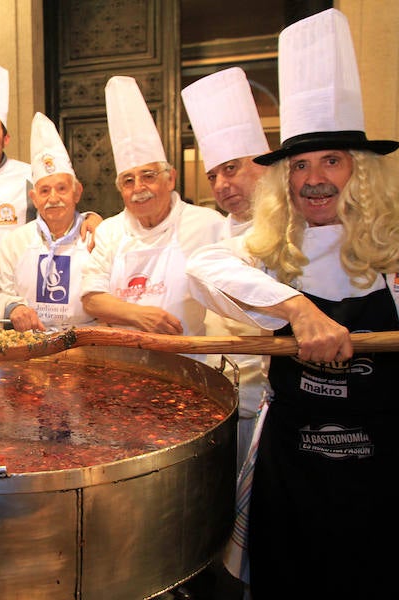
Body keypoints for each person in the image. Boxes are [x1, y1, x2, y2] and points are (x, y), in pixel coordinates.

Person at [186, 9, 399, 598]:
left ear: (359, 171)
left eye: (331, 162)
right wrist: (299, 309)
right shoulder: (270, 246)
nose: (314, 179)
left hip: (391, 462)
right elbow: (205, 267)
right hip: (296, 461)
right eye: (300, 166)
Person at [80, 76, 225, 341]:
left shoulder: (208, 225)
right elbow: (92, 299)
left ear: (170, 179)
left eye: (148, 176)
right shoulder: (110, 231)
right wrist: (140, 315)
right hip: (122, 361)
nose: (138, 188)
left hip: (189, 358)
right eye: (128, 180)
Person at [181, 66, 272, 475]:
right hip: (224, 397)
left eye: (232, 168)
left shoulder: (290, 232)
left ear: (267, 165)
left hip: (268, 407)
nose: (220, 185)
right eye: (212, 175)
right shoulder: (216, 229)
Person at [0, 57, 101, 262]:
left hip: (21, 279)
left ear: (5, 138)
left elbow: (62, 209)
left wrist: (90, 217)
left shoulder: (30, 176)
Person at [0, 112, 95, 332]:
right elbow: (1, 295)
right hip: (30, 347)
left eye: (62, 189)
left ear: (77, 192)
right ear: (34, 198)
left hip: (86, 346)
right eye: (45, 191)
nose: (53, 198)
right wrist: (14, 309)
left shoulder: (97, 237)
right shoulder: (15, 242)